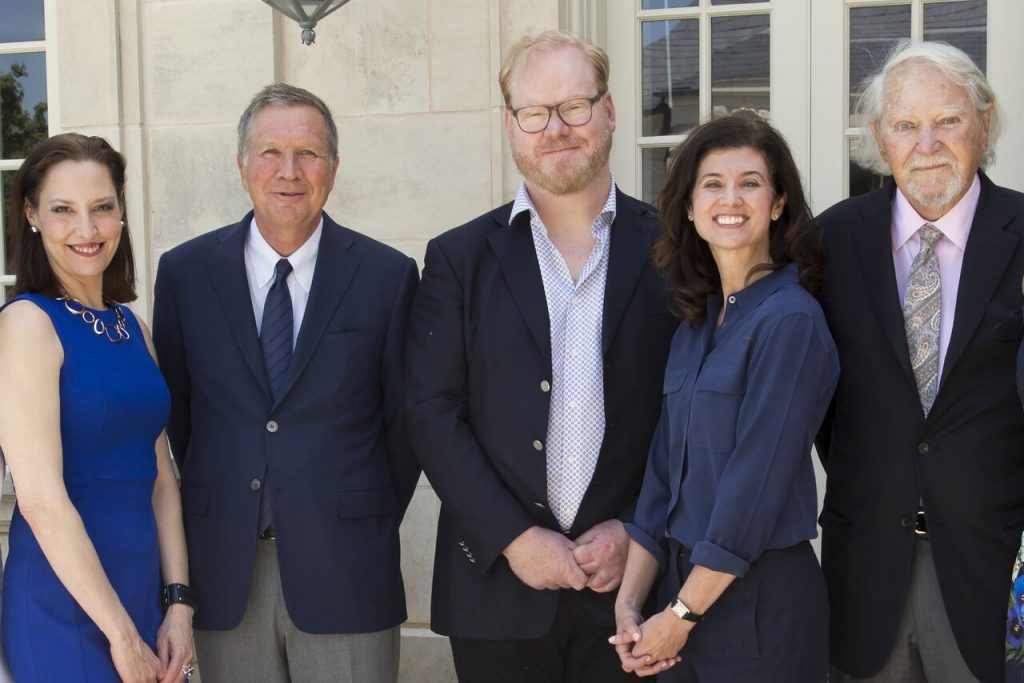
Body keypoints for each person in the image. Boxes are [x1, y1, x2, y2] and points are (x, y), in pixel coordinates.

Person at [405, 31, 678, 683]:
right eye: (534, 112)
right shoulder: (457, 258)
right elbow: (430, 412)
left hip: (638, 592)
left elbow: (693, 415)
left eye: (574, 107)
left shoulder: (675, 249)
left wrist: (641, 529)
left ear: (609, 111)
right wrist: (514, 538)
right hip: (496, 590)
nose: (555, 128)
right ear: (510, 125)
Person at [151, 83, 419, 683]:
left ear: (334, 167)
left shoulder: (387, 276)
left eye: (308, 154)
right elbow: (180, 417)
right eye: (270, 152)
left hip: (347, 566)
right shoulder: (185, 274)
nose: (289, 171)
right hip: (224, 569)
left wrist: (353, 513)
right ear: (243, 165)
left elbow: (405, 429)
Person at [817, 40, 1024, 683]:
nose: (926, 142)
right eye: (906, 125)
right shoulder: (830, 241)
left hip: (994, 567)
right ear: (881, 137)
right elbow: (820, 397)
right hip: (864, 565)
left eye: (948, 120)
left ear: (984, 122)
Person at [609, 113, 837, 681]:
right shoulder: (695, 326)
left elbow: (751, 491)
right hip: (679, 595)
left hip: (758, 603)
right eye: (712, 183)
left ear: (778, 203)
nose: (730, 198)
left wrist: (680, 615)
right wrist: (631, 603)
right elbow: (661, 477)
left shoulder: (791, 321)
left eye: (751, 182)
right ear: (689, 206)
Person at [0, 133, 194, 682]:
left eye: (102, 208)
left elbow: (161, 480)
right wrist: (121, 634)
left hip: (142, 597)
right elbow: (40, 500)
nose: (86, 230)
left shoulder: (133, 328)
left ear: (121, 214)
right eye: (63, 210)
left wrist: (178, 602)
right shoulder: (26, 325)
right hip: (65, 605)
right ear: (32, 216)